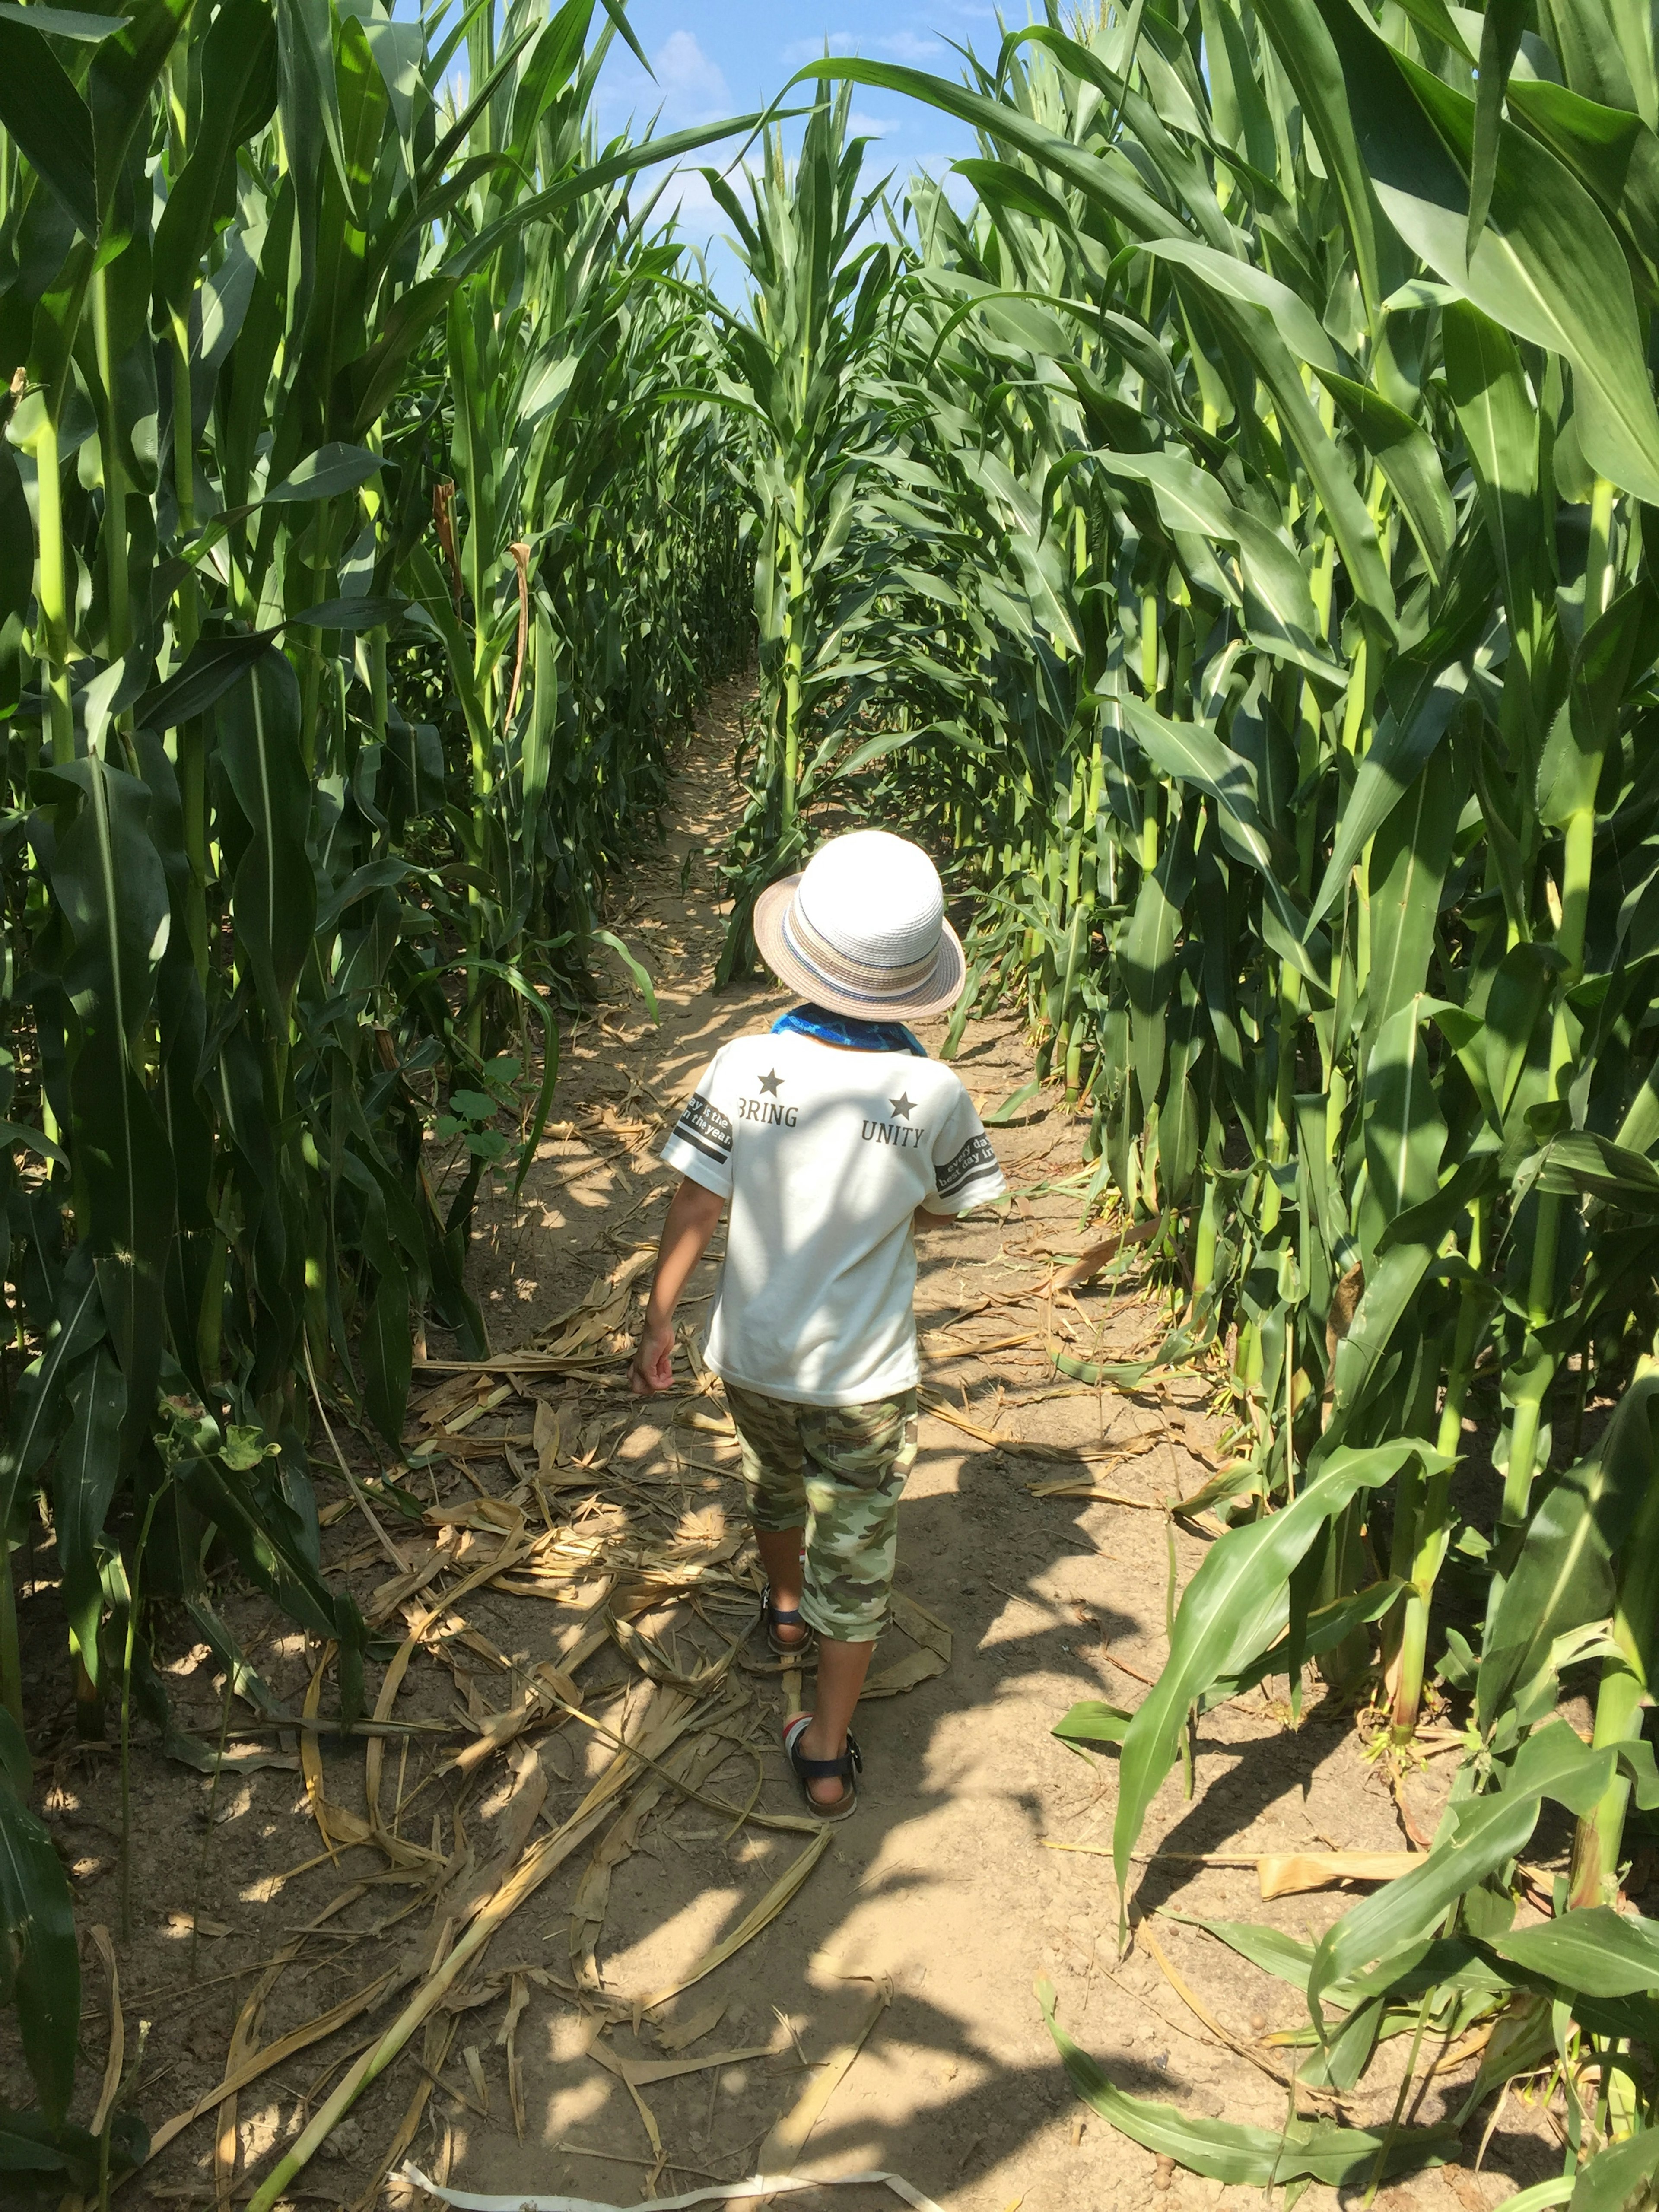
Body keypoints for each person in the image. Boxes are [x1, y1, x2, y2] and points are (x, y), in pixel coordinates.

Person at [629, 829, 1006, 1818]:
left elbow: (695, 1204)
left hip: (754, 1357)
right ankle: (828, 1754)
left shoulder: (744, 1065)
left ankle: (785, 1613)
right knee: (861, 1551)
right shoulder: (933, 1092)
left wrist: (658, 1317)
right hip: (867, 1381)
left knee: (773, 1481)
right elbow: (952, 1202)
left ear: (796, 950)